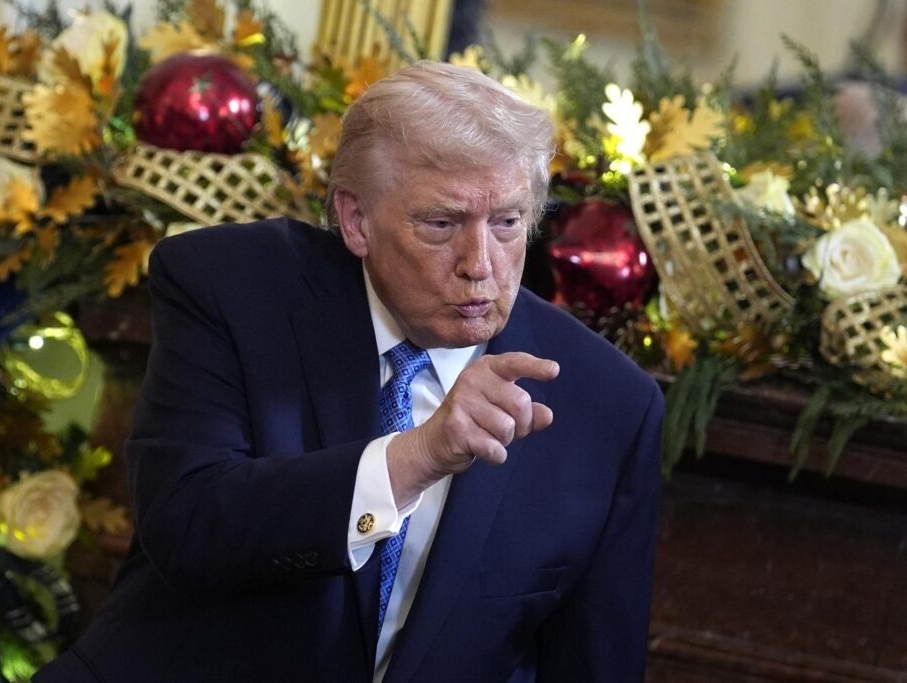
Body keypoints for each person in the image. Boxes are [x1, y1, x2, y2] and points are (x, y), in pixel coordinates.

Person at [35, 60, 663, 682]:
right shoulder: (233, 288)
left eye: (507, 223)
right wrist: (418, 456)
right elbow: (189, 526)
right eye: (441, 224)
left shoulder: (609, 404)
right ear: (356, 220)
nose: (480, 265)